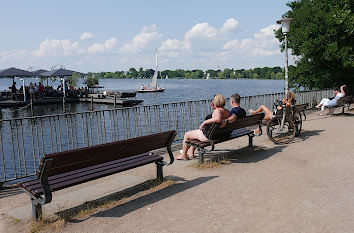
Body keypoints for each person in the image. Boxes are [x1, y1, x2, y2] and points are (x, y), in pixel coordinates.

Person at [176, 94, 230, 160]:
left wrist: (204, 122)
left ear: (215, 102)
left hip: (209, 137)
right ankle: (191, 153)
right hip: (219, 135)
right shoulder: (227, 111)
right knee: (194, 134)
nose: (212, 103)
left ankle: (184, 155)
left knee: (187, 134)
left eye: (213, 101)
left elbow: (218, 119)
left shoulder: (217, 110)